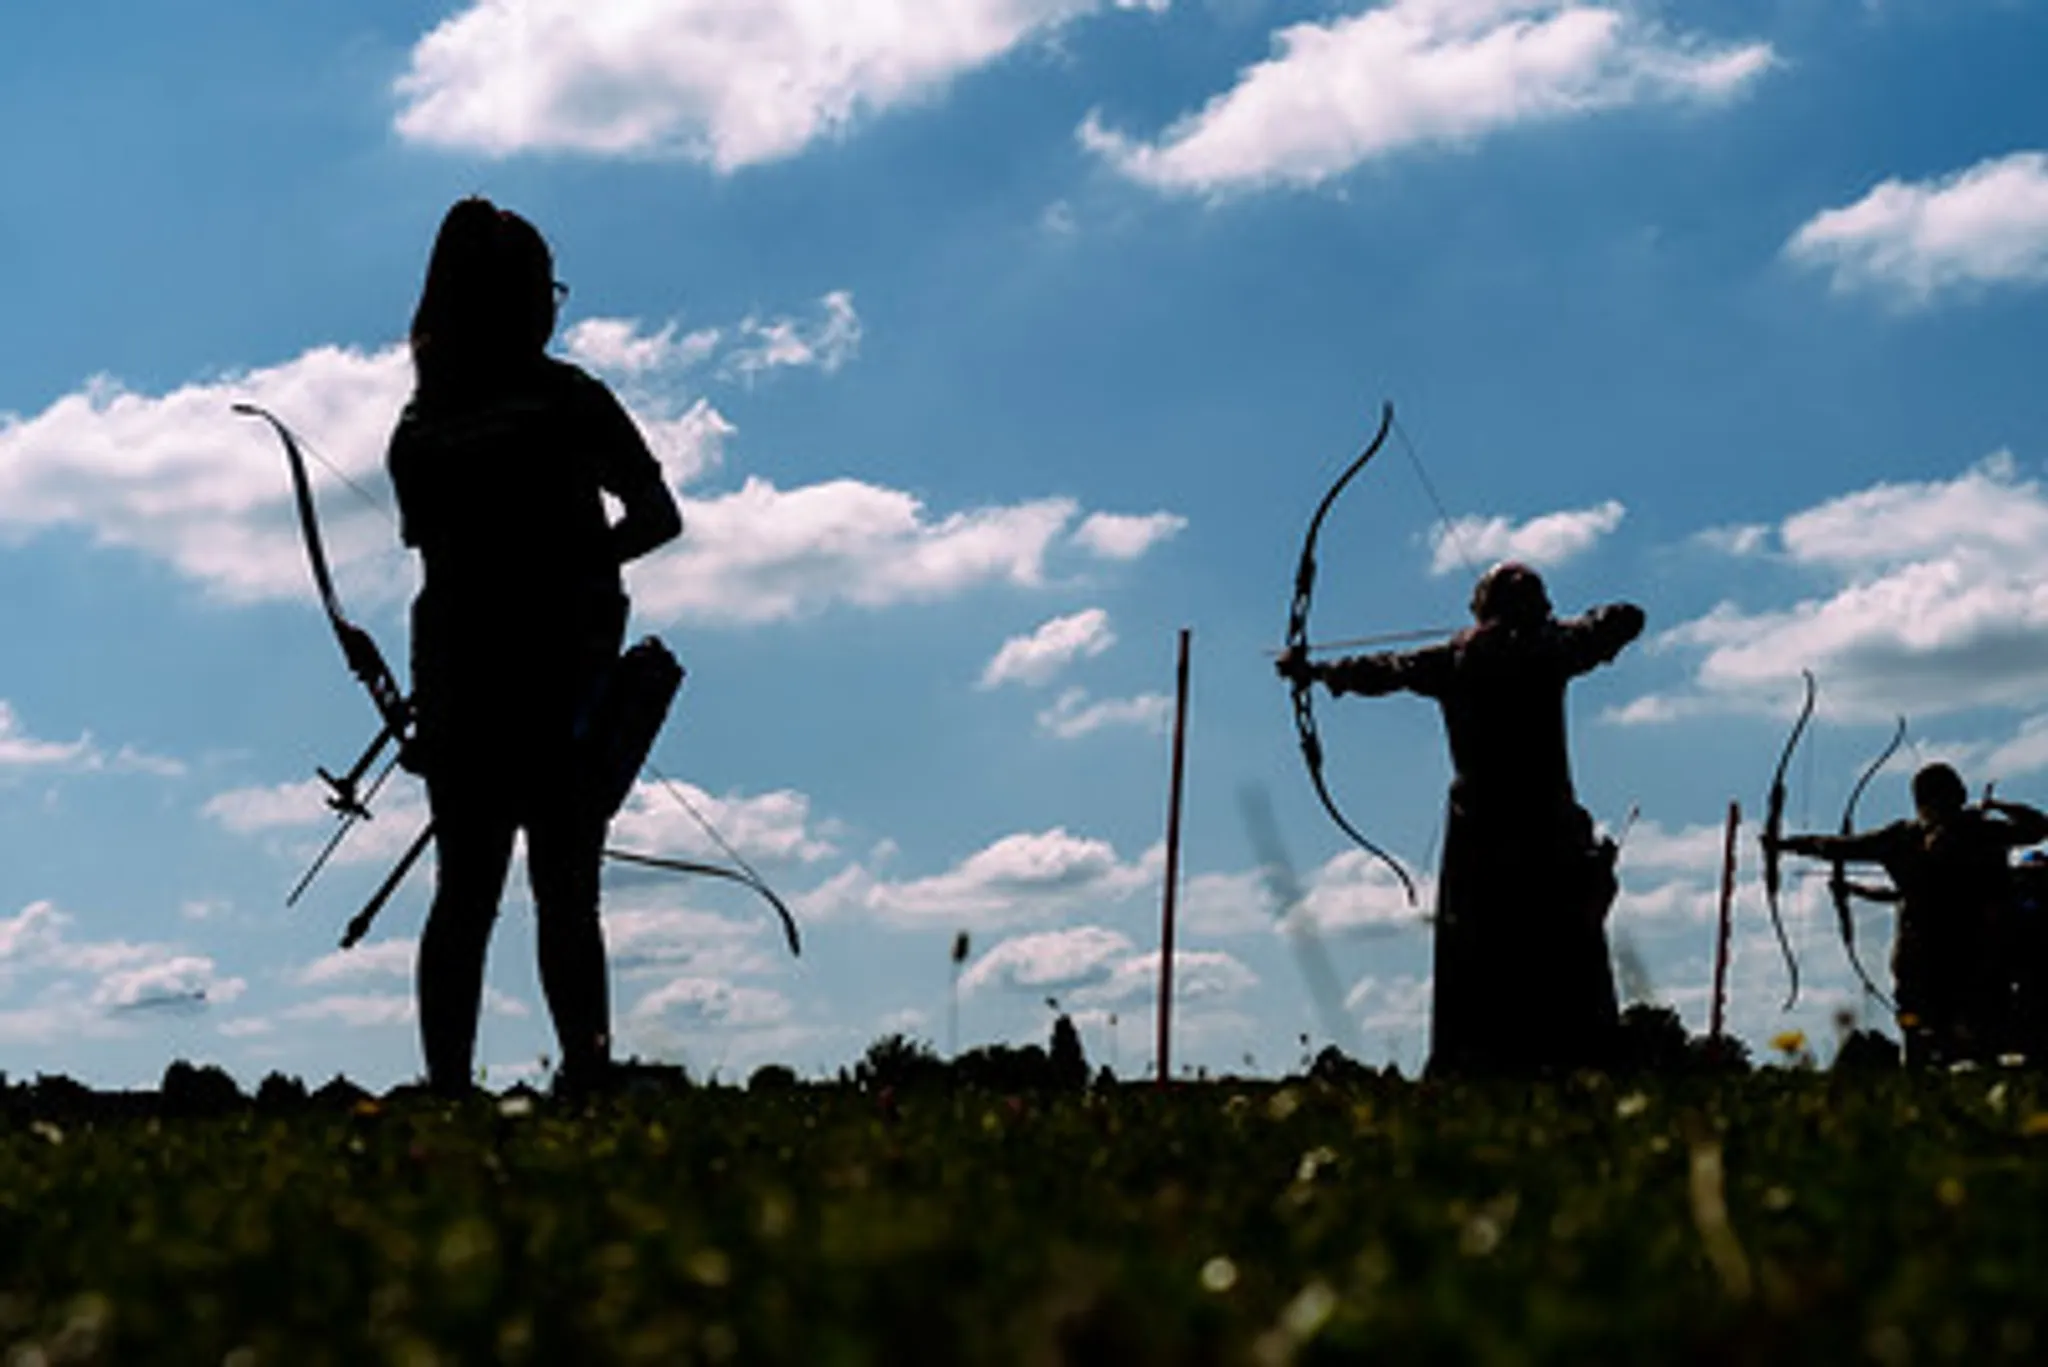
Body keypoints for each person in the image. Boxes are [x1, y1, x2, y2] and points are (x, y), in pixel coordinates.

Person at [387, 198, 682, 1095]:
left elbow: (434, 556)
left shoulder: (419, 426)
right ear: (514, 298)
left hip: (462, 676)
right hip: (555, 675)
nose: (555, 306)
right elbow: (657, 517)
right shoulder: (566, 399)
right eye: (543, 287)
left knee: (465, 894)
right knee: (564, 889)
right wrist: (573, 562)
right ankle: (585, 1076)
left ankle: (449, 1089)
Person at [1278, 562, 1644, 1074]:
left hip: (1486, 831)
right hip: (1540, 827)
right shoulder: (1551, 650)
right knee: (1557, 950)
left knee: (1485, 953)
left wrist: (1312, 671)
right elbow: (1622, 618)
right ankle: (1567, 1065)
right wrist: (1549, 630)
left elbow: (1381, 670)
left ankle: (1480, 1066)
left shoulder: (1458, 658)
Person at [1766, 763, 2048, 1067]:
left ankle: (1926, 1087)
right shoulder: (1972, 831)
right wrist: (1788, 845)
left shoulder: (1947, 833)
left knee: (1952, 1033)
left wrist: (1786, 845)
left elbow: (1839, 847)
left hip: (1955, 955)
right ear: (1959, 795)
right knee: (1955, 1035)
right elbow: (2037, 826)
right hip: (1951, 954)